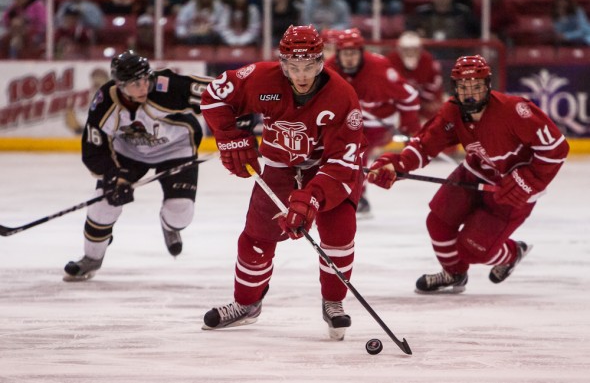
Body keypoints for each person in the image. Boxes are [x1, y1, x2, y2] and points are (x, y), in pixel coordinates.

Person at [199, 25, 365, 340]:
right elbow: (213, 97)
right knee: (257, 238)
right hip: (279, 164)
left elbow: (342, 163)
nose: (301, 75)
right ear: (282, 63)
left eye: (309, 66)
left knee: (340, 232)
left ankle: (333, 301)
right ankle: (246, 304)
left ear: (321, 62)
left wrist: (311, 198)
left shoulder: (343, 96)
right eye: (293, 66)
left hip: (327, 169)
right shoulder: (261, 78)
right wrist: (230, 138)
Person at [367, 55, 570, 293]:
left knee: (472, 250)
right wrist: (397, 164)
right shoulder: (453, 111)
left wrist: (527, 181)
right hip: (473, 173)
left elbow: (556, 148)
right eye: (463, 87)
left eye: (476, 86)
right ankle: (454, 275)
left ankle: (513, 253)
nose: (470, 93)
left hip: (511, 188)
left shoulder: (515, 110)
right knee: (438, 222)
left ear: (487, 85)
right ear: (455, 88)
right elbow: (425, 144)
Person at [63, 50, 211, 282]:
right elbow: (93, 150)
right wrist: (114, 177)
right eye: (135, 84)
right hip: (128, 153)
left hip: (176, 149)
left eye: (145, 80)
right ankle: (91, 258)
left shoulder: (167, 86)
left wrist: (243, 117)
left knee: (181, 213)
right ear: (120, 85)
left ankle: (169, 225)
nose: (143, 87)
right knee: (103, 206)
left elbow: (220, 91)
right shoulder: (105, 102)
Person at [325, 28, 420, 218]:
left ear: (361, 53)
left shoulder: (380, 71)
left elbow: (410, 97)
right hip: (349, 119)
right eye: (345, 53)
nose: (349, 58)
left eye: (353, 53)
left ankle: (359, 197)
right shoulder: (329, 69)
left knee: (356, 149)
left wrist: (409, 129)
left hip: (379, 122)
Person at [387, 31, 443, 123]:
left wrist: (427, 102)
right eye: (406, 49)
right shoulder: (391, 61)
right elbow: (387, 88)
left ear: (420, 49)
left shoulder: (428, 61)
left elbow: (435, 85)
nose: (410, 53)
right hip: (398, 104)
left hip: (423, 101)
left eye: (414, 49)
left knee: (435, 118)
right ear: (399, 49)